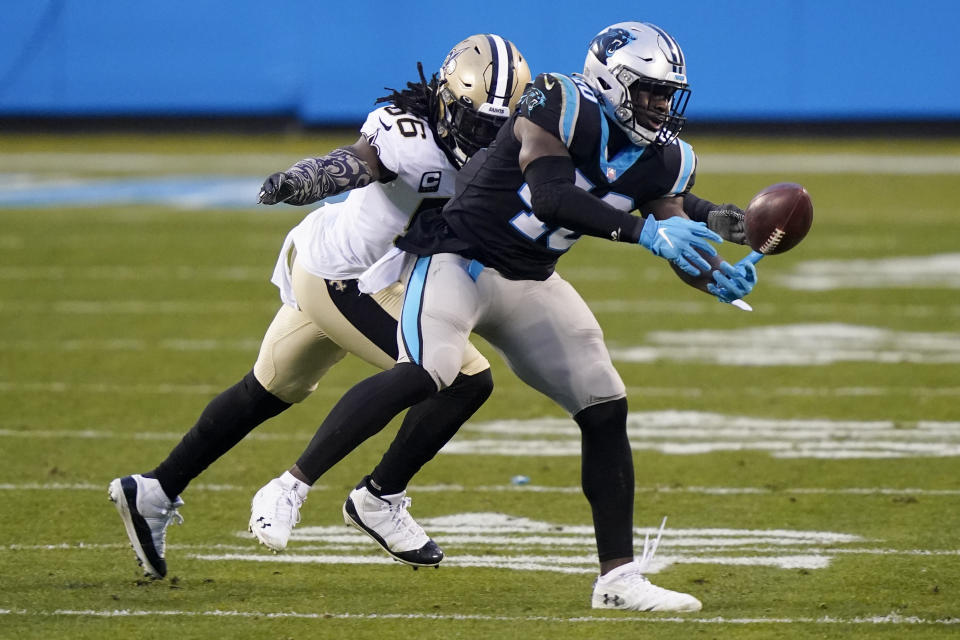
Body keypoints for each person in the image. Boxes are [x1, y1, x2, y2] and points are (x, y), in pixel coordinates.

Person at [250, 21, 758, 612]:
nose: (656, 105)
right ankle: (290, 486)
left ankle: (617, 579)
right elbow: (551, 196)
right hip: (458, 259)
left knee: (604, 403)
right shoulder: (557, 101)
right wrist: (645, 232)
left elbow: (675, 228)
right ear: (609, 83)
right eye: (645, 90)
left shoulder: (666, 158)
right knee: (429, 371)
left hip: (529, 278)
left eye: (665, 94)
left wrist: (712, 273)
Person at [107, 34, 533, 579]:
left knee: (266, 390)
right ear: (447, 100)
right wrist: (306, 178)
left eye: (496, 129)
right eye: (475, 125)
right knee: (461, 377)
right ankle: (378, 497)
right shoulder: (408, 134)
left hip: (345, 271)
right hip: (347, 278)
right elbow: (357, 163)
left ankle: (153, 490)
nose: (485, 140)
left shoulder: (517, 145)